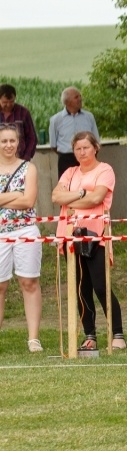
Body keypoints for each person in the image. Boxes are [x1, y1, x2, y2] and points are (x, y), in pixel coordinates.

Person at [52, 131, 125, 350]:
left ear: (95, 147)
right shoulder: (70, 172)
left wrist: (73, 198)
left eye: (86, 147)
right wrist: (83, 193)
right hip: (69, 233)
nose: (82, 152)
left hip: (96, 234)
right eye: (78, 148)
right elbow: (56, 197)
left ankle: (117, 333)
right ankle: (90, 334)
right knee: (80, 287)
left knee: (101, 285)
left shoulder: (105, 170)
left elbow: (97, 198)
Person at [0, 123, 43, 352]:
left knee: (29, 282)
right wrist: (15, 194)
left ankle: (33, 338)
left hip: (25, 229)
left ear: (18, 142)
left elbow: (28, 201)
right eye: (4, 141)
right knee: (0, 285)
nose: (8, 145)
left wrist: (4, 197)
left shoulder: (29, 168)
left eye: (12, 141)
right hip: (0, 233)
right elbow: (21, 197)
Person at [49, 87, 100, 179]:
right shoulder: (56, 120)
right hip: (66, 159)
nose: (80, 99)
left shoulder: (89, 117)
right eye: (76, 97)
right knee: (68, 187)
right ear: (67, 102)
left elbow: (96, 139)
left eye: (80, 96)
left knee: (89, 184)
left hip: (88, 157)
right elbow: (53, 144)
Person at [0, 85, 38, 161]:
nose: (8, 105)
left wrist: (26, 157)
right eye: (5, 102)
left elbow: (32, 137)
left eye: (11, 102)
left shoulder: (23, 112)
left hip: (20, 160)